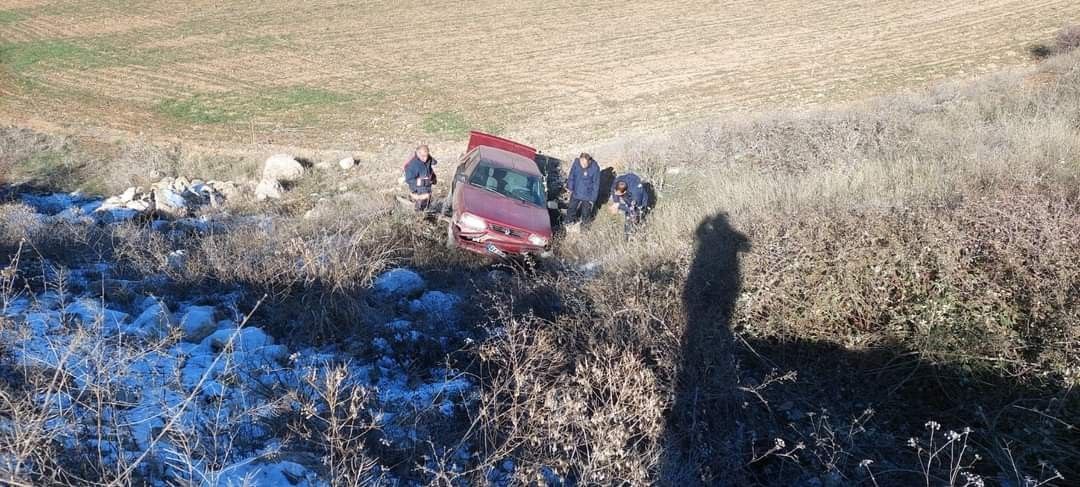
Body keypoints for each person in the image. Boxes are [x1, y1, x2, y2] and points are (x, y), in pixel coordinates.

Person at [608, 172, 649, 239]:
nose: (617, 195)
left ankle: (637, 237)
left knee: (634, 218)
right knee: (628, 218)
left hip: (640, 202)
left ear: (625, 192)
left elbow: (633, 208)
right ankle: (627, 238)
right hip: (628, 194)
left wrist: (619, 205)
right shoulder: (617, 182)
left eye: (619, 194)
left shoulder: (636, 192)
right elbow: (614, 191)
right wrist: (616, 202)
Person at [564, 152, 601, 226]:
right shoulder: (576, 163)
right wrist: (570, 187)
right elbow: (572, 175)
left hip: (587, 195)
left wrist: (593, 199)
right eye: (581, 162)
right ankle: (568, 222)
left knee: (586, 212)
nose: (582, 165)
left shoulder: (595, 168)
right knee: (571, 208)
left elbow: (596, 185)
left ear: (589, 161)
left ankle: (585, 227)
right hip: (576, 191)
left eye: (584, 163)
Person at [403, 145, 437, 212]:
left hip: (427, 188)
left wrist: (433, 178)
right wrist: (422, 182)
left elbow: (430, 169)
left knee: (427, 201)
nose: (425, 158)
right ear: (418, 153)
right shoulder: (412, 165)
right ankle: (419, 214)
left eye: (427, 155)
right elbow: (409, 179)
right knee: (420, 207)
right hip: (417, 190)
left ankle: (426, 211)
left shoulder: (427, 159)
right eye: (423, 156)